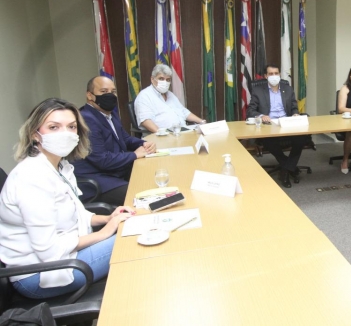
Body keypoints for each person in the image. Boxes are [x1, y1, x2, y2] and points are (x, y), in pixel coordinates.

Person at [0, 98, 135, 299]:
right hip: (41, 273)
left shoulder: (60, 167)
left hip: (65, 257)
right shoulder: (32, 178)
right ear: (34, 135)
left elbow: (76, 214)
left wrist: (107, 218)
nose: (65, 133)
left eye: (71, 127)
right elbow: (50, 251)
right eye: (54, 127)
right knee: (134, 240)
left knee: (135, 228)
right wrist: (107, 231)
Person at [73, 76, 156, 205]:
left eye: (113, 92)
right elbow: (102, 160)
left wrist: (143, 144)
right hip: (97, 179)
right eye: (104, 91)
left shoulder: (109, 113)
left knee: (154, 178)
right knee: (144, 197)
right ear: (90, 95)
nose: (110, 95)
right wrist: (135, 154)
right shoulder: (86, 119)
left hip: (114, 170)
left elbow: (125, 138)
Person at [247, 64, 308, 188]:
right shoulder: (258, 90)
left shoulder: (288, 89)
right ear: (265, 76)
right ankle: (289, 167)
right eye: (270, 74)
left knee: (303, 137)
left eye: (276, 73)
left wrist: (295, 114)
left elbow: (294, 107)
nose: (274, 76)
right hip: (269, 124)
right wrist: (261, 115)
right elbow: (251, 111)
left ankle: (286, 167)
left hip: (287, 123)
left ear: (280, 74)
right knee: (268, 140)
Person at [134, 64, 205, 133]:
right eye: (161, 79)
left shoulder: (170, 94)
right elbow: (145, 121)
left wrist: (202, 122)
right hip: (160, 137)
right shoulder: (144, 96)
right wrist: (162, 134)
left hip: (180, 133)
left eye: (168, 80)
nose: (165, 82)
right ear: (152, 79)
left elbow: (184, 112)